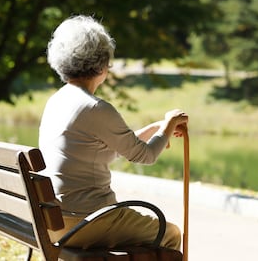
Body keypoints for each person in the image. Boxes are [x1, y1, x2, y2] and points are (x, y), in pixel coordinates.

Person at [39, 15, 188, 250]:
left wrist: (153, 130)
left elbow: (104, 150)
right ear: (101, 65)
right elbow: (145, 156)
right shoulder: (95, 108)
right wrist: (170, 123)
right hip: (88, 220)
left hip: (55, 222)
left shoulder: (57, 101)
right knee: (170, 234)